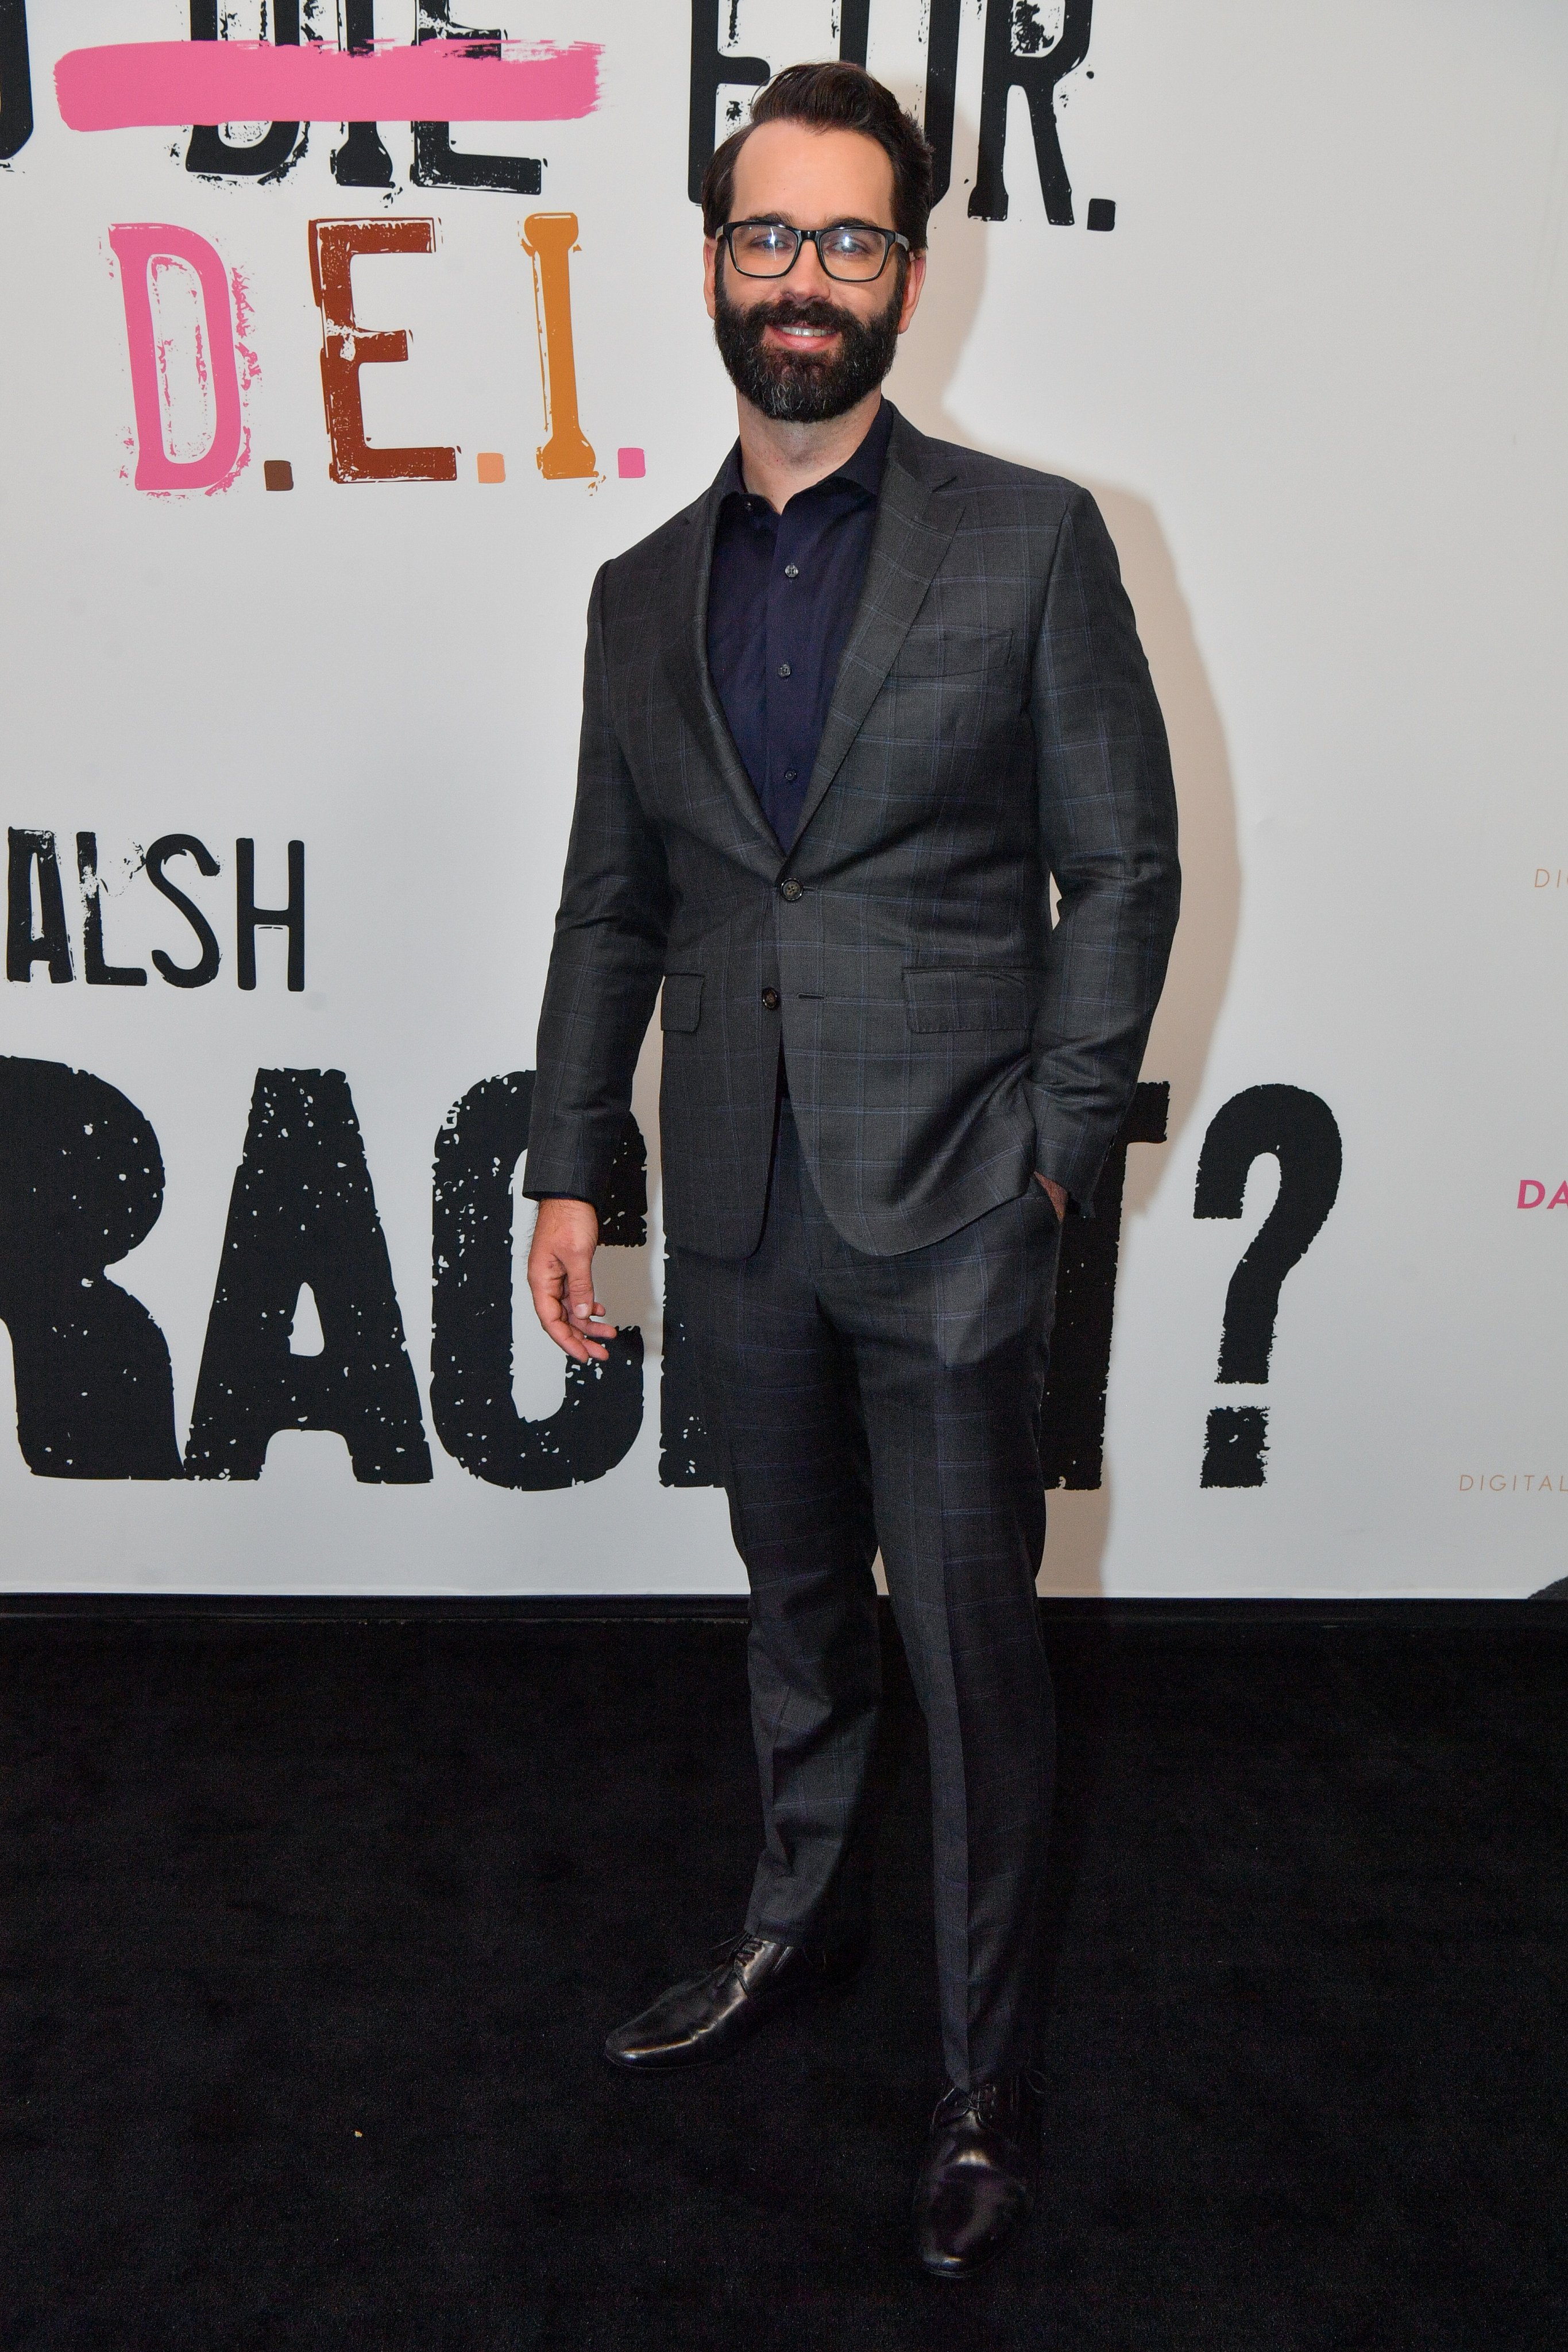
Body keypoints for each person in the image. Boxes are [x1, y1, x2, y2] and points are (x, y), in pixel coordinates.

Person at [523, 60, 1179, 2280]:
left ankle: (981, 2069)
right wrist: (567, 1164)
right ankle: (790, 1932)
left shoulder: (1031, 540)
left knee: (973, 1654)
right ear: (714, 260)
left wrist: (1058, 1159)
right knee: (794, 1614)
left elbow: (1124, 861)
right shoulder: (634, 590)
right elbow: (612, 901)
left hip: (961, 1205)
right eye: (769, 238)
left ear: (911, 271)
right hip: (739, 1205)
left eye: (851, 242)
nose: (805, 282)